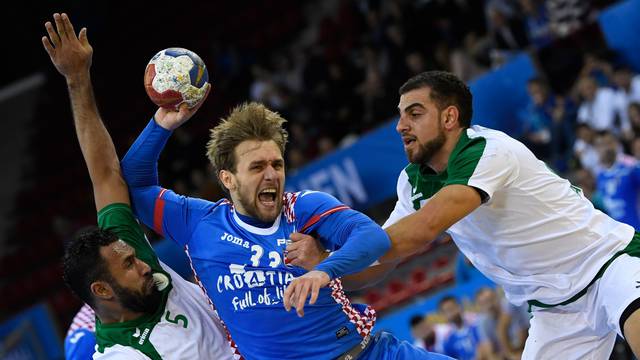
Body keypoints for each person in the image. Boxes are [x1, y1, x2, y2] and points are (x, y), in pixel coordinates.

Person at [120, 68, 449, 360]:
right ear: (227, 178)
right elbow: (134, 184)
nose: (272, 174)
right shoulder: (198, 223)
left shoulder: (303, 207)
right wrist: (162, 124)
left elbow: (372, 238)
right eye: (257, 166)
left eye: (277, 164)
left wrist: (322, 269)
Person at [379, 70, 640, 359]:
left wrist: (334, 263)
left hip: (610, 264)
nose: (400, 126)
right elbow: (382, 249)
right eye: (401, 115)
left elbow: (424, 228)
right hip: (554, 308)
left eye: (414, 114)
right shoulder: (411, 182)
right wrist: (325, 269)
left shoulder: (490, 150)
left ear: (449, 118)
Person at [42, 13, 232, 359]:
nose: (144, 264)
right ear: (102, 290)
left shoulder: (120, 250)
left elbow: (104, 174)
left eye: (133, 257)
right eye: (130, 266)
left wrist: (77, 78)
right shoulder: (126, 355)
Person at [594, 131, 640, 230]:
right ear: (596, 149)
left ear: (616, 144)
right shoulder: (600, 176)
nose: (606, 148)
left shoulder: (631, 167)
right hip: (618, 234)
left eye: (609, 143)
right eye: (601, 145)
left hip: (636, 230)